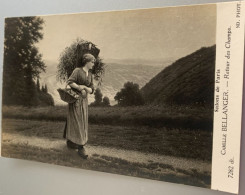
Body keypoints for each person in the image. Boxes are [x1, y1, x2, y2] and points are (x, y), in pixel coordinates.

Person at [63, 53, 95, 159]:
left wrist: (84, 87)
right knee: (77, 123)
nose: (93, 64)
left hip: (84, 102)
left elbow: (91, 90)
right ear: (87, 62)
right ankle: (81, 148)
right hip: (76, 100)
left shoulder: (90, 74)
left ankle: (72, 143)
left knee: (83, 122)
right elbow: (70, 82)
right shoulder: (77, 71)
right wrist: (80, 88)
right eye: (92, 62)